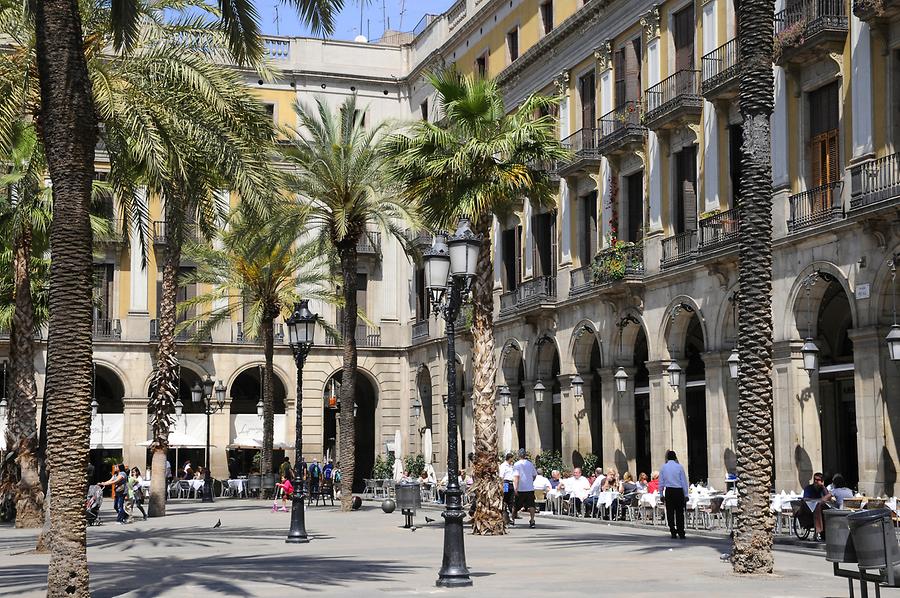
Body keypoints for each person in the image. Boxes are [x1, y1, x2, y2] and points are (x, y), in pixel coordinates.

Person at [659, 451, 689, 539]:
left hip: (669, 491)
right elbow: (684, 481)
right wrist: (686, 494)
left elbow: (661, 482)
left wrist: (661, 494)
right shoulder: (679, 467)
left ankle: (672, 530)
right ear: (675, 457)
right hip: (679, 491)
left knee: (670, 512)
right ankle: (681, 531)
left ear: (667, 458)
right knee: (680, 512)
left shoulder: (663, 467)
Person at [512, 449, 538, 528]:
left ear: (518, 455)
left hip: (520, 488)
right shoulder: (530, 464)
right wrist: (530, 481)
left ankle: (512, 520)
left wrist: (515, 488)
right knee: (531, 505)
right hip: (529, 488)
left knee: (516, 505)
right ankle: (532, 520)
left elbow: (516, 477)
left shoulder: (516, 464)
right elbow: (534, 475)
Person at [803, 472, 833, 541]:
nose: (816, 481)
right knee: (818, 509)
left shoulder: (823, 488)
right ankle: (817, 531)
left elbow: (828, 497)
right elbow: (805, 498)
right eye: (815, 479)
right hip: (809, 508)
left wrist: (823, 486)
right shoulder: (808, 488)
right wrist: (815, 500)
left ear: (822, 481)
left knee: (824, 510)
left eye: (818, 480)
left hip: (820, 508)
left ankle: (824, 532)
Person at [499, 452, 516, 524]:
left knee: (511, 501)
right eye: (512, 458)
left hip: (511, 483)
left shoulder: (511, 466)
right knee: (505, 499)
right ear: (510, 458)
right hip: (506, 483)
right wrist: (502, 486)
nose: (513, 460)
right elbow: (501, 476)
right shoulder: (503, 466)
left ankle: (512, 518)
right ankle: (505, 517)